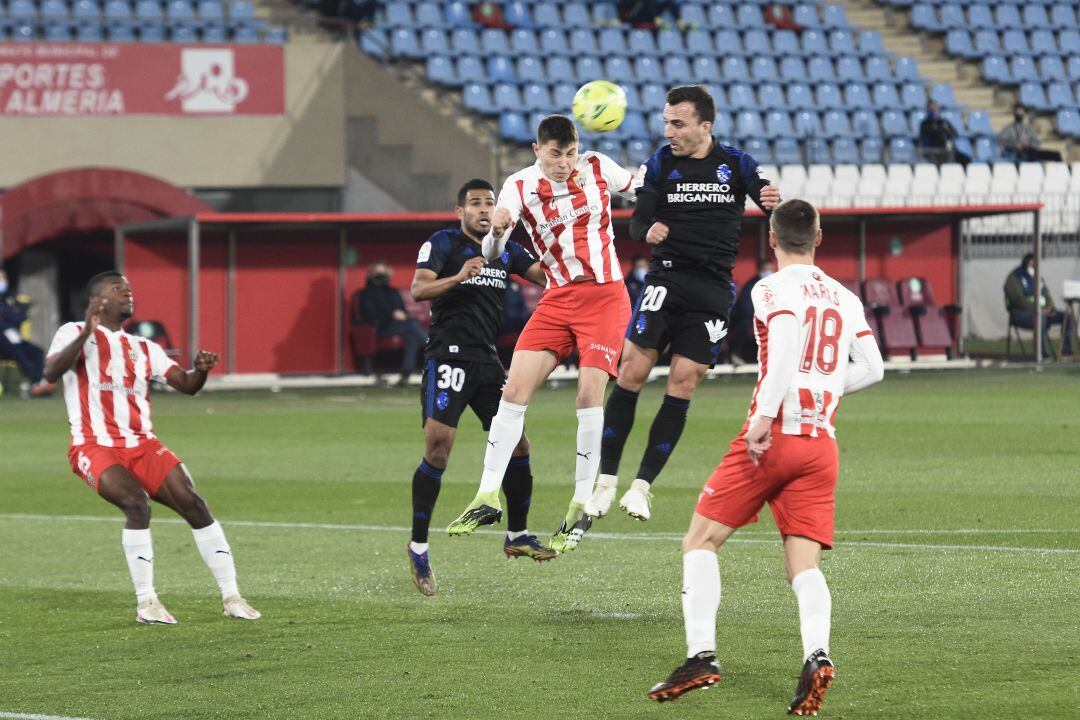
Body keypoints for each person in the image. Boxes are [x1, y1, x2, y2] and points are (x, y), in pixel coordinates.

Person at [645, 200, 884, 714]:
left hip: (773, 437)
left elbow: (785, 343)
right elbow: (875, 367)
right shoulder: (844, 295)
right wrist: (822, 391)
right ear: (818, 237)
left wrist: (763, 417)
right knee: (803, 564)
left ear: (771, 238)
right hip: (821, 443)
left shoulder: (771, 288)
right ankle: (817, 655)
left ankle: (700, 656)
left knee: (700, 540)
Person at [587, 85, 781, 523]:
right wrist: (647, 228)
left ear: (704, 126)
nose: (669, 131)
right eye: (666, 123)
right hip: (666, 278)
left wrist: (771, 200)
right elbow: (638, 218)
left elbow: (766, 196)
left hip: (712, 290)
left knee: (684, 384)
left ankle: (641, 487)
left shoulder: (736, 163)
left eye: (678, 123)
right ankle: (605, 480)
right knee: (632, 371)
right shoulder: (659, 163)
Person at [445, 114, 637, 552]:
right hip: (557, 298)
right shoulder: (518, 186)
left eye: (570, 153)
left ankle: (581, 504)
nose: (564, 163)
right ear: (537, 150)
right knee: (512, 392)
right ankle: (486, 495)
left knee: (589, 395)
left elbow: (639, 187)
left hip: (605, 296)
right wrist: (496, 231)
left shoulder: (597, 165)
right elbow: (493, 253)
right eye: (555, 154)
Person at [43, 271, 260, 625]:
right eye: (118, 289)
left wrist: (200, 371)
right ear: (97, 299)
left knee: (195, 504)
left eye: (129, 289)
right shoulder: (72, 332)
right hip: (94, 444)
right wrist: (85, 331)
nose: (128, 294)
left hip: (143, 444)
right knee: (135, 503)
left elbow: (187, 385)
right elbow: (52, 372)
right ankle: (147, 602)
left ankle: (232, 595)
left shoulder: (144, 347)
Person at [405, 179, 555, 595]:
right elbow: (419, 289)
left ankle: (518, 534)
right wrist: (457, 276)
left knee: (518, 444)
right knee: (438, 448)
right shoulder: (443, 242)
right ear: (460, 211)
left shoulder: (505, 246)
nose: (484, 209)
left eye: (490, 202)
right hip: (448, 357)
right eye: (475, 203)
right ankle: (418, 547)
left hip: (489, 361)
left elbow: (545, 275)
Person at [357, 261, 428, 386]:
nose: (381, 274)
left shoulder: (393, 292)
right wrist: (391, 314)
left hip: (400, 326)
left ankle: (405, 374)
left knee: (411, 332)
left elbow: (403, 310)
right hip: (379, 328)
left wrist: (404, 315)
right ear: (371, 274)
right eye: (378, 272)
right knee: (411, 326)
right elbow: (368, 315)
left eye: (384, 271)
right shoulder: (365, 293)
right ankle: (434, 348)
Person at [1005, 253, 1074, 357]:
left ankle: (1065, 350)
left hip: (1042, 312)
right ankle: (1041, 353)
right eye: (1032, 262)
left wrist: (1050, 308)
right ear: (1026, 262)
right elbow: (1017, 300)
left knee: (1067, 317)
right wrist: (1038, 309)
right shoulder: (1014, 277)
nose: (1034, 265)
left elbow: (1046, 294)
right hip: (1020, 314)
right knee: (1040, 318)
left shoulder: (1038, 277)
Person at [0, 268, 53, 397]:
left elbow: (22, 316)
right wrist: (12, 313)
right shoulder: (11, 301)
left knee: (38, 352)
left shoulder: (11, 296)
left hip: (15, 341)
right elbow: (14, 316)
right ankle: (37, 383)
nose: (2, 281)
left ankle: (39, 383)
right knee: (17, 351)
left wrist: (7, 314)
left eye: (3, 278)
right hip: (3, 345)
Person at [730, 258, 776, 363]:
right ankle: (735, 354)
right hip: (750, 317)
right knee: (745, 323)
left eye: (770, 269)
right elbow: (745, 308)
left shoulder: (776, 284)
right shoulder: (752, 285)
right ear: (759, 270)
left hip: (771, 317)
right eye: (766, 269)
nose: (768, 272)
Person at [998, 104, 1063, 162]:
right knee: (1031, 155)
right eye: (1018, 111)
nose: (1020, 114)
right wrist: (1014, 144)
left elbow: (1037, 142)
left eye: (1021, 112)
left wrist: (1027, 144)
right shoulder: (1008, 128)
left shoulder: (1028, 128)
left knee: (1056, 155)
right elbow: (1001, 140)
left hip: (1029, 151)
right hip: (1015, 152)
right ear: (1014, 113)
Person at [918, 100, 958, 165]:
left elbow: (954, 134)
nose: (934, 110)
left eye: (935, 108)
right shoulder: (925, 124)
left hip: (945, 151)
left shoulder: (944, 122)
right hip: (931, 151)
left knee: (963, 159)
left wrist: (947, 131)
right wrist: (940, 129)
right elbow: (929, 135)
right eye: (931, 109)